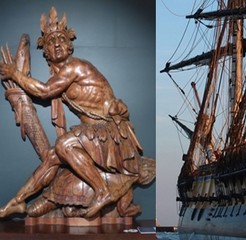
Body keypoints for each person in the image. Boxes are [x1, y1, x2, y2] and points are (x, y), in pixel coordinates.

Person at [0, 7, 143, 218]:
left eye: (61, 39)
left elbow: (45, 91)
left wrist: (14, 74)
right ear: (46, 51)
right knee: (51, 157)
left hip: (110, 134)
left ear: (69, 46)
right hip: (94, 134)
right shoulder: (60, 75)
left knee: (63, 145)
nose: (56, 44)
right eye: (50, 41)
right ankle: (17, 202)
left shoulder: (75, 67)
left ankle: (102, 191)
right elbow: (45, 88)